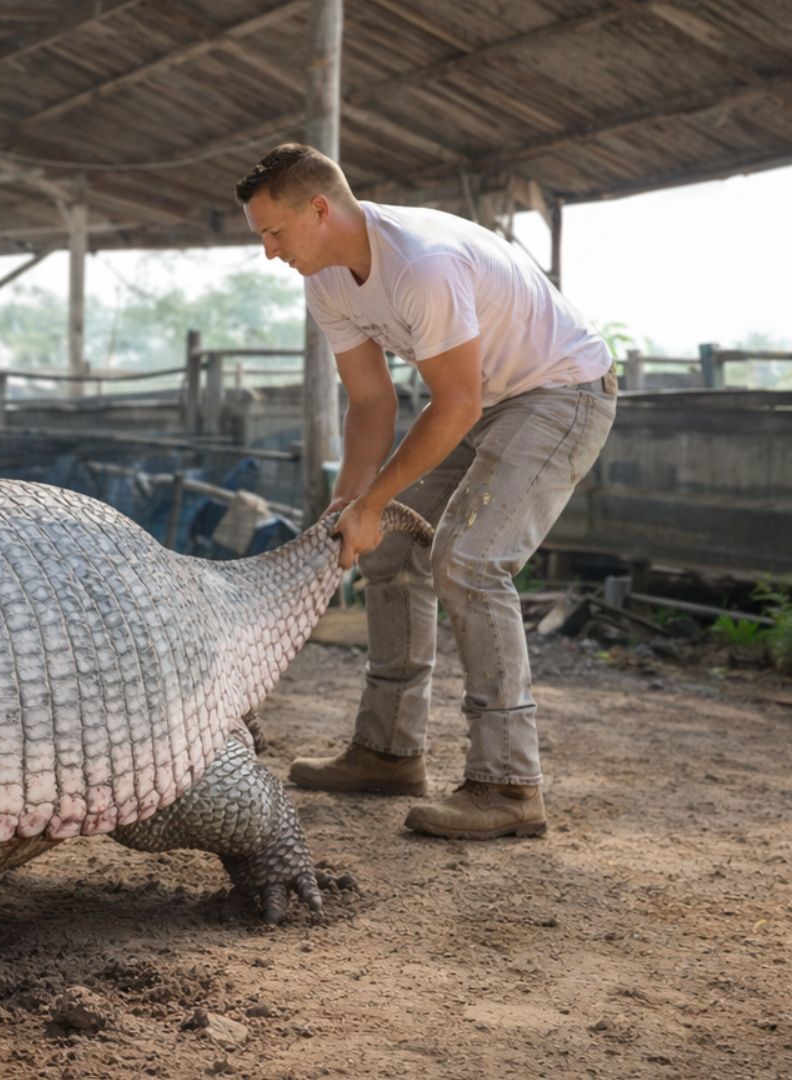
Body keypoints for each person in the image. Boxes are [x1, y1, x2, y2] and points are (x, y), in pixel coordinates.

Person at [236, 144, 615, 840]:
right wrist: (352, 502)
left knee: (469, 560)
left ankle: (509, 785)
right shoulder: (326, 278)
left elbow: (456, 402)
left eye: (275, 232)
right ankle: (388, 753)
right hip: (484, 399)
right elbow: (371, 401)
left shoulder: (422, 263)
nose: (269, 252)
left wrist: (374, 503)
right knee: (385, 549)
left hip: (559, 391)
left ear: (319, 210)